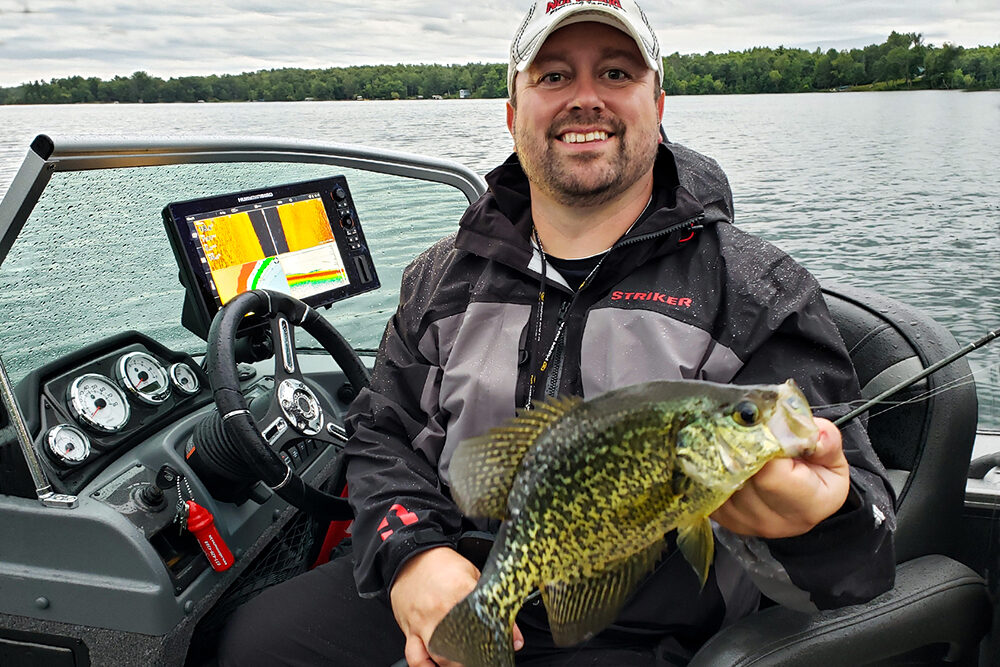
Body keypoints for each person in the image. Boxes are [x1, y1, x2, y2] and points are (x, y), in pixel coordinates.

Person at [218, 0, 896, 664]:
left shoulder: (757, 290)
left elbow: (860, 559)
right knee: (254, 639)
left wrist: (820, 518)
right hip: (465, 565)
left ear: (657, 107)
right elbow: (380, 435)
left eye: (617, 73)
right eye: (552, 76)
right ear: (514, 115)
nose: (585, 99)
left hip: (640, 632)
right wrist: (413, 555)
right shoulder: (440, 277)